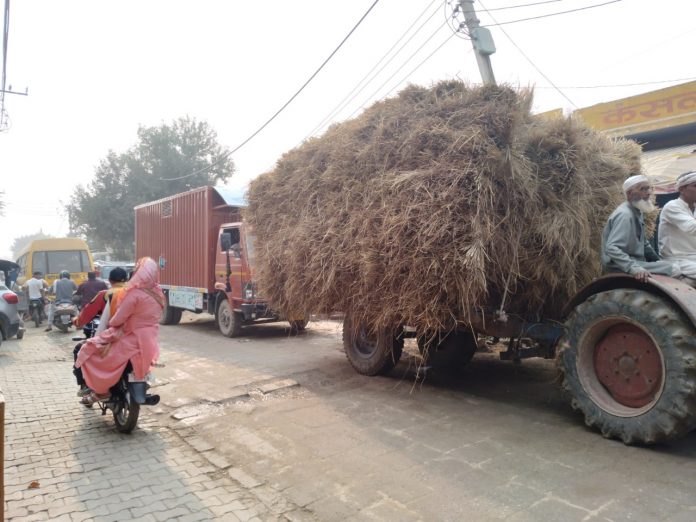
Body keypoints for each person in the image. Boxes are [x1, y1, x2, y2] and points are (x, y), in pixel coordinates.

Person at [75, 257, 164, 405]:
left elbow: (118, 320)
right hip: (150, 341)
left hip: (130, 337)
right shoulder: (159, 294)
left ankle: (100, 390)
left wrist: (112, 323)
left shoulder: (134, 294)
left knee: (89, 349)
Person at [601, 174, 679, 283]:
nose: (648, 192)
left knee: (672, 266)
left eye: (649, 188)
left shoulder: (637, 211)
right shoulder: (625, 215)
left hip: (634, 261)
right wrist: (633, 268)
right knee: (675, 270)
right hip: (618, 265)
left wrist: (657, 260)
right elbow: (612, 248)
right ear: (629, 193)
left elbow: (644, 243)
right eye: (643, 189)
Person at [72, 267, 129, 397]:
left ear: (109, 280)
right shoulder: (136, 293)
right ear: (126, 279)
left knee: (80, 350)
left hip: (112, 335)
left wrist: (76, 321)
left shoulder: (106, 294)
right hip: (136, 338)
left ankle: (86, 385)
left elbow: (86, 314)